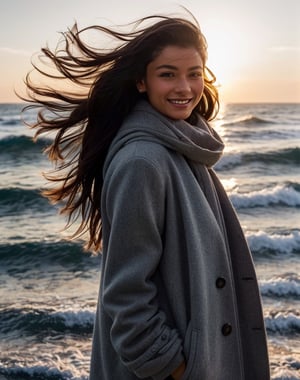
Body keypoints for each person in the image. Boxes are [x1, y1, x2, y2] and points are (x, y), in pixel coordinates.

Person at [22, 10, 270, 380]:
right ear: (142, 81)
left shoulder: (182, 145)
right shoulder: (143, 161)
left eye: (194, 74)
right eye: (167, 74)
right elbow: (127, 296)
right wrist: (179, 368)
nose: (184, 88)